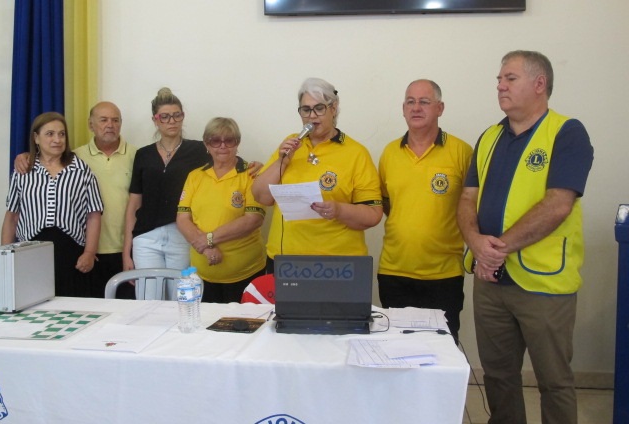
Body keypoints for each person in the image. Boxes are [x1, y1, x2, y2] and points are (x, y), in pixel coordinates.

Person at [457, 50, 594, 424]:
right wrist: (476, 243)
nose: (500, 86)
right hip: (491, 281)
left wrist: (496, 249)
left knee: (554, 381)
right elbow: (467, 198)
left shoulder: (567, 133)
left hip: (543, 283)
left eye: (510, 78)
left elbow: (558, 204)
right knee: (498, 376)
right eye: (499, 79)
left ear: (539, 84)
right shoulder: (489, 137)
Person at [123, 88, 261, 272]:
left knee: (181, 288)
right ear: (155, 120)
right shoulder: (143, 154)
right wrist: (127, 250)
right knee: (148, 289)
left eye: (177, 115)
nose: (172, 121)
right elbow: (134, 204)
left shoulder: (199, 150)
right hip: (146, 236)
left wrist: (255, 166)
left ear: (183, 117)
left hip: (181, 235)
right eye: (165, 116)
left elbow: (226, 158)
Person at [377, 79, 473, 343]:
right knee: (397, 349)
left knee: (441, 350)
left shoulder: (462, 152)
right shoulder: (389, 153)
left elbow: (472, 205)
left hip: (443, 275)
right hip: (394, 272)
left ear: (440, 108)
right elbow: (386, 202)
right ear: (403, 109)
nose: (416, 108)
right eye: (410, 102)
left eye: (424, 102)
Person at [252, 77, 383, 271]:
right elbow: (261, 196)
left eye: (319, 108)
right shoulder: (290, 144)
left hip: (337, 265)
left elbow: (373, 215)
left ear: (333, 108)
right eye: (306, 110)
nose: (312, 116)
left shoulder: (356, 153)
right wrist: (282, 161)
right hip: (286, 261)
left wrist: (338, 210)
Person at [14, 102, 137, 298]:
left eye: (115, 120)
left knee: (124, 308)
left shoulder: (137, 156)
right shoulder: (76, 157)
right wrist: (25, 156)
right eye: (103, 120)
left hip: (122, 249)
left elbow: (97, 213)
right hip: (85, 251)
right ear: (90, 124)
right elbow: (13, 214)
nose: (110, 125)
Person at [2, 112, 104, 297]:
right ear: (36, 138)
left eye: (62, 134)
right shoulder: (23, 171)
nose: (57, 139)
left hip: (71, 253)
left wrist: (89, 252)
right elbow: (12, 217)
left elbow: (94, 215)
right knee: (32, 303)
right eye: (50, 134)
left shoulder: (81, 171)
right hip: (30, 251)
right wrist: (5, 257)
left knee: (71, 305)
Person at [176, 117, 266, 303]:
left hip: (245, 274)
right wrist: (207, 248)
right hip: (202, 276)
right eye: (215, 140)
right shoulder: (195, 176)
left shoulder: (251, 174)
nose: (222, 146)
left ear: (237, 143)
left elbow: (253, 220)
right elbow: (182, 218)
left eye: (229, 140)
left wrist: (208, 239)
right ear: (206, 144)